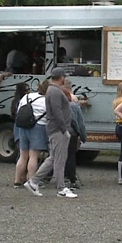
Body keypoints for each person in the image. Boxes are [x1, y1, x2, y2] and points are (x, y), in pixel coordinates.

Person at [24, 68, 77, 199]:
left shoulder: (52, 90)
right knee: (60, 159)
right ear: (62, 77)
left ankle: (33, 182)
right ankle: (61, 188)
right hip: (58, 130)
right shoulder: (54, 91)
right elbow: (57, 111)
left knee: (53, 158)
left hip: (55, 129)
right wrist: (65, 130)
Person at [14, 81, 49, 188]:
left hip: (23, 126)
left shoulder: (27, 96)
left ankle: (17, 180)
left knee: (23, 156)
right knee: (33, 156)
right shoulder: (47, 100)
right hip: (38, 127)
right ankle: (32, 180)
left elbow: (19, 110)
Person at [63, 80, 86, 189]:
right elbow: (79, 122)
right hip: (71, 133)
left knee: (56, 156)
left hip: (58, 132)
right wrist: (82, 135)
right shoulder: (74, 105)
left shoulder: (57, 103)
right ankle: (71, 179)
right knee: (71, 156)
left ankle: (52, 177)